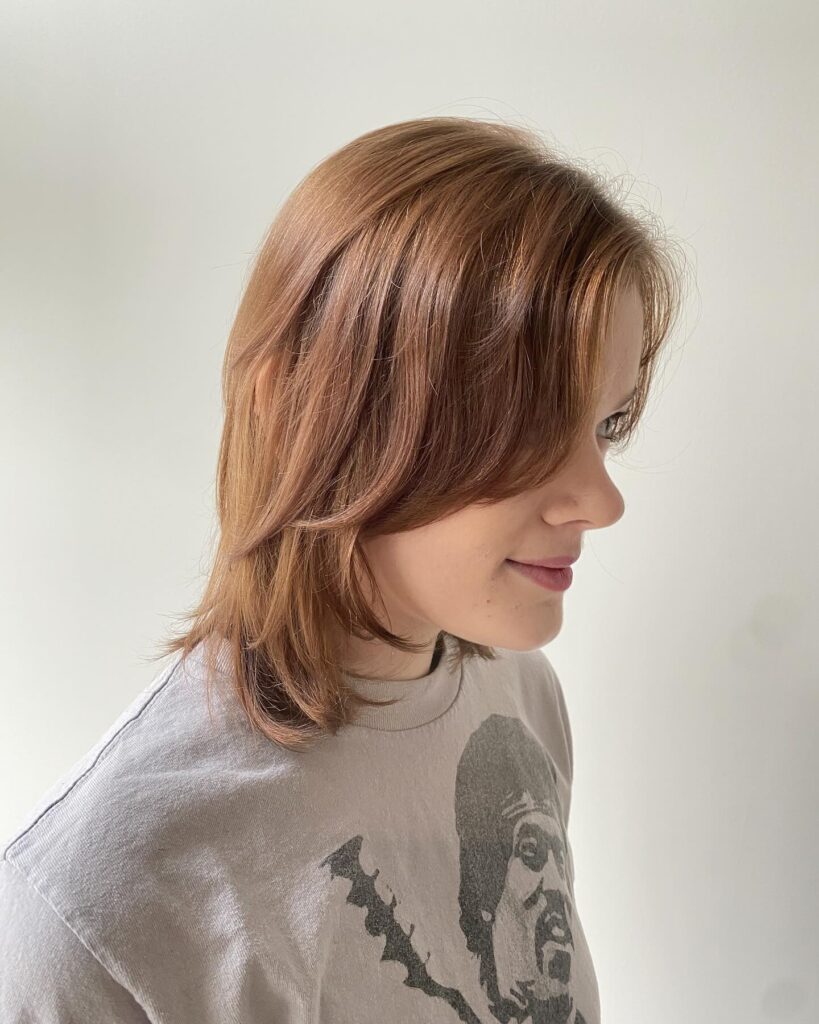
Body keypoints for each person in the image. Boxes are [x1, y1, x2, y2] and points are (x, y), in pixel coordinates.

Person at [0, 116, 686, 1023]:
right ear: (307, 410)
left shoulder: (518, 701)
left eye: (603, 426)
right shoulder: (102, 911)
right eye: (529, 426)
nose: (601, 502)